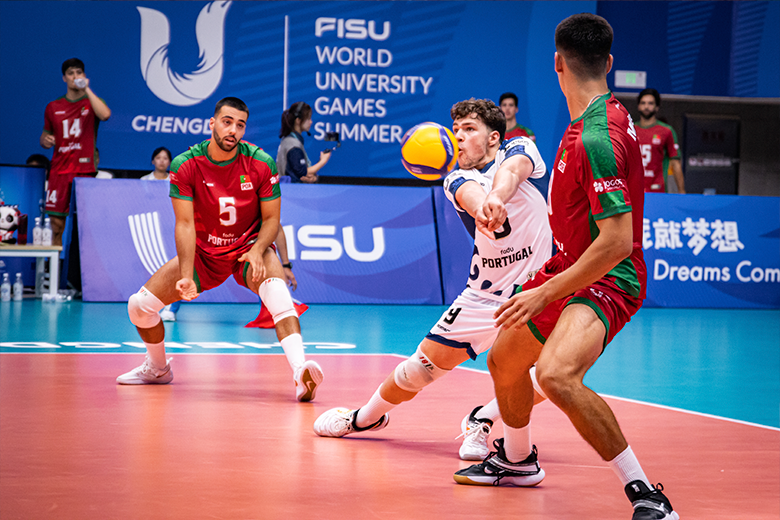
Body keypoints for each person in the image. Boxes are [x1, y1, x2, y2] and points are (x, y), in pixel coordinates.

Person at [454, 14, 679, 520]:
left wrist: (545, 292)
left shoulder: (599, 137)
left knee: (555, 376)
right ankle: (517, 462)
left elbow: (618, 242)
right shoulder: (588, 122)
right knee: (504, 360)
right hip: (568, 263)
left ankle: (647, 496)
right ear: (610, 63)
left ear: (557, 62)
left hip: (607, 278)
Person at [313, 98, 552, 470]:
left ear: (493, 138)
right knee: (417, 370)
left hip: (539, 293)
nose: (458, 137)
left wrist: (498, 196)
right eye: (455, 130)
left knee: (553, 373)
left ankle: (484, 419)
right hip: (484, 296)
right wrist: (484, 206)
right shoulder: (457, 177)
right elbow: (472, 199)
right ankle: (366, 416)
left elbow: (513, 171)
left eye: (469, 129)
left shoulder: (522, 149)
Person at [116, 97, 324, 403]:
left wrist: (257, 251)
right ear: (211, 123)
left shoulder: (260, 162)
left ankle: (299, 372)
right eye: (227, 122)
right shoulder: (186, 164)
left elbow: (271, 221)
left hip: (247, 249)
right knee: (138, 307)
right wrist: (186, 275)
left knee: (279, 296)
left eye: (240, 124)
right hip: (204, 256)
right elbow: (185, 224)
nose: (233, 130)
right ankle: (158, 368)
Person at [40, 58, 111, 245]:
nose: (75, 77)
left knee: (84, 224)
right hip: (59, 170)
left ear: (85, 76)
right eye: (71, 73)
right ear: (64, 78)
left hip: (84, 170)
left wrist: (86, 89)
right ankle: (53, 269)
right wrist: (46, 140)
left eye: (79, 73)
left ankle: (78, 271)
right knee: (56, 223)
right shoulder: (53, 107)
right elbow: (44, 136)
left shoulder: (92, 102)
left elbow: (105, 115)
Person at [636, 88, 685, 194]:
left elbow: (675, 163)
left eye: (650, 103)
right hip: (633, 190)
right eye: (643, 103)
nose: (646, 106)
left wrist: (682, 192)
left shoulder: (666, 131)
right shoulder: (629, 129)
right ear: (638, 106)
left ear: (656, 107)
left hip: (657, 191)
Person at [276, 102, 331, 183]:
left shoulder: (290, 140)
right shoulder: (293, 144)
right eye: (308, 119)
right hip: (290, 191)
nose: (311, 122)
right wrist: (323, 161)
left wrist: (313, 178)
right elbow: (302, 172)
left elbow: (300, 174)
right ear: (298, 120)